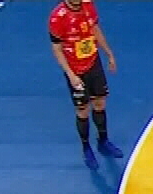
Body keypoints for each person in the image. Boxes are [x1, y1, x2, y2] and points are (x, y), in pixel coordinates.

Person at [47, 0, 121, 168]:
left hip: (93, 63)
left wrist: (109, 54)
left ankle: (103, 140)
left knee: (100, 102)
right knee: (82, 110)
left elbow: (94, 29)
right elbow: (57, 49)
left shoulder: (88, 5)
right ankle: (86, 147)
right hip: (75, 69)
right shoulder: (57, 17)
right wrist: (71, 75)